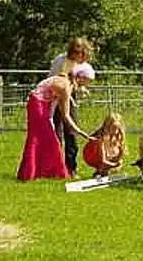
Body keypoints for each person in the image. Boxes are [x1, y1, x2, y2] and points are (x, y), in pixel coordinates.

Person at [16, 62, 98, 182]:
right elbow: (66, 115)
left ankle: (36, 172)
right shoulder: (65, 87)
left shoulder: (64, 81)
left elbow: (53, 103)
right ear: (81, 78)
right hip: (38, 106)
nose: (87, 84)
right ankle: (48, 172)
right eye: (88, 81)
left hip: (39, 105)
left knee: (42, 140)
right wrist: (81, 133)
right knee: (44, 140)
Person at [50, 37, 93, 178]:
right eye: (78, 53)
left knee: (70, 133)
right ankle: (56, 167)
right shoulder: (61, 62)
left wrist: (80, 87)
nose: (81, 58)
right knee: (56, 133)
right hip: (54, 97)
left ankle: (70, 168)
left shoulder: (79, 64)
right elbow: (57, 81)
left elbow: (78, 81)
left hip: (68, 96)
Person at [83, 112, 127, 178]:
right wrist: (114, 164)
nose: (115, 131)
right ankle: (100, 171)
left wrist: (118, 160)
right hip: (92, 155)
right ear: (107, 127)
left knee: (116, 153)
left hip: (103, 156)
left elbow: (121, 152)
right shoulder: (100, 138)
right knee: (105, 161)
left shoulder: (117, 136)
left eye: (117, 128)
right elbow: (103, 160)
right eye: (113, 128)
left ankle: (105, 171)